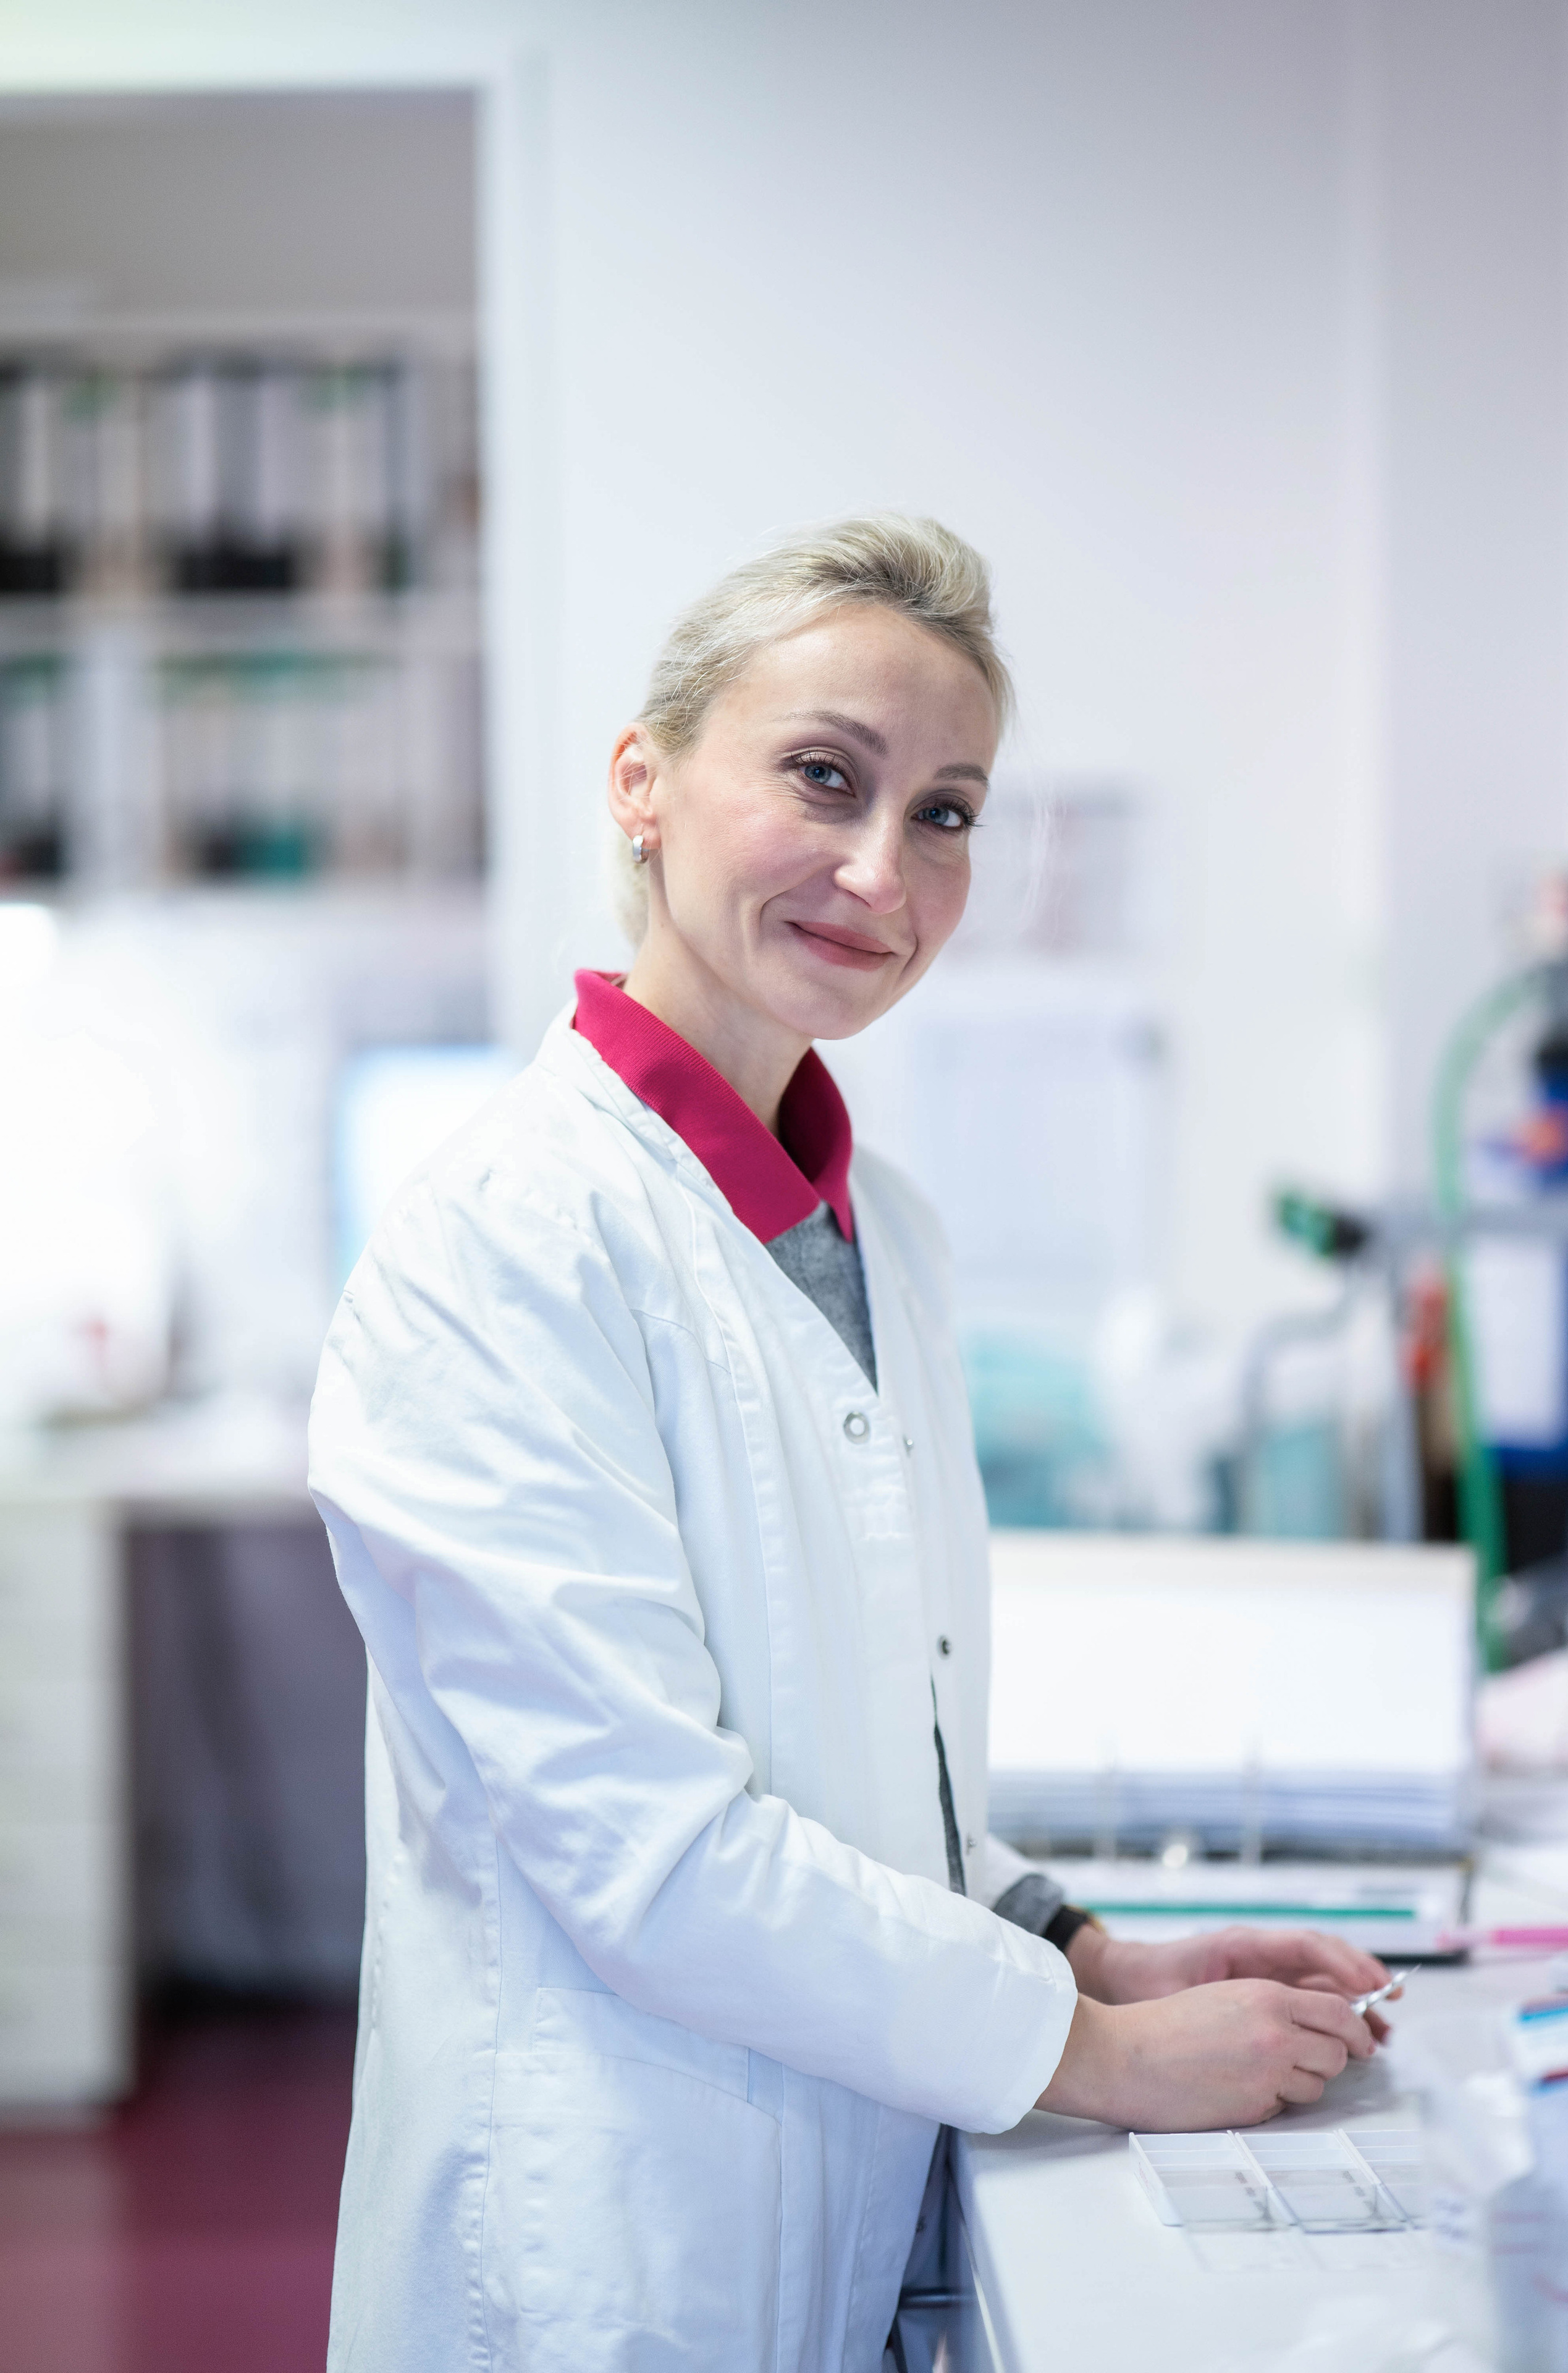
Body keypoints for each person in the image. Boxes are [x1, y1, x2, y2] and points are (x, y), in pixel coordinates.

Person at [309, 515, 1389, 2373]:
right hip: (616, 2256)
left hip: (854, 2198)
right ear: (643, 783)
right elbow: (645, 1849)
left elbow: (878, 1740)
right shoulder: (500, 1248)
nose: (881, 870)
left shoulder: (877, 1227)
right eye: (825, 777)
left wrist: (1072, 1947)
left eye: (947, 811)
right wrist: (1096, 2057)